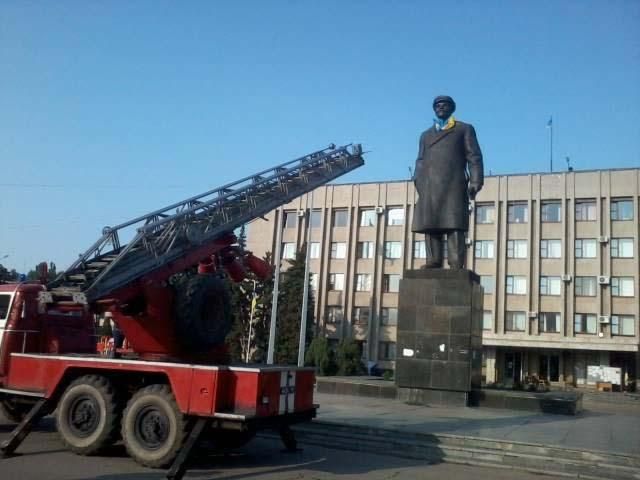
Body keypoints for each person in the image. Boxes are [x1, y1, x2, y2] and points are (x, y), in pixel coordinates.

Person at [411, 95, 484, 269]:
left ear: (452, 108)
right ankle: (433, 260)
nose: (441, 107)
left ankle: (456, 263)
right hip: (428, 184)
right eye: (437, 105)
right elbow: (420, 159)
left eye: (445, 105)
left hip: (453, 183)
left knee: (454, 224)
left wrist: (476, 179)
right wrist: (417, 178)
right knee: (431, 224)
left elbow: (474, 156)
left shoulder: (463, 129)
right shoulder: (425, 135)